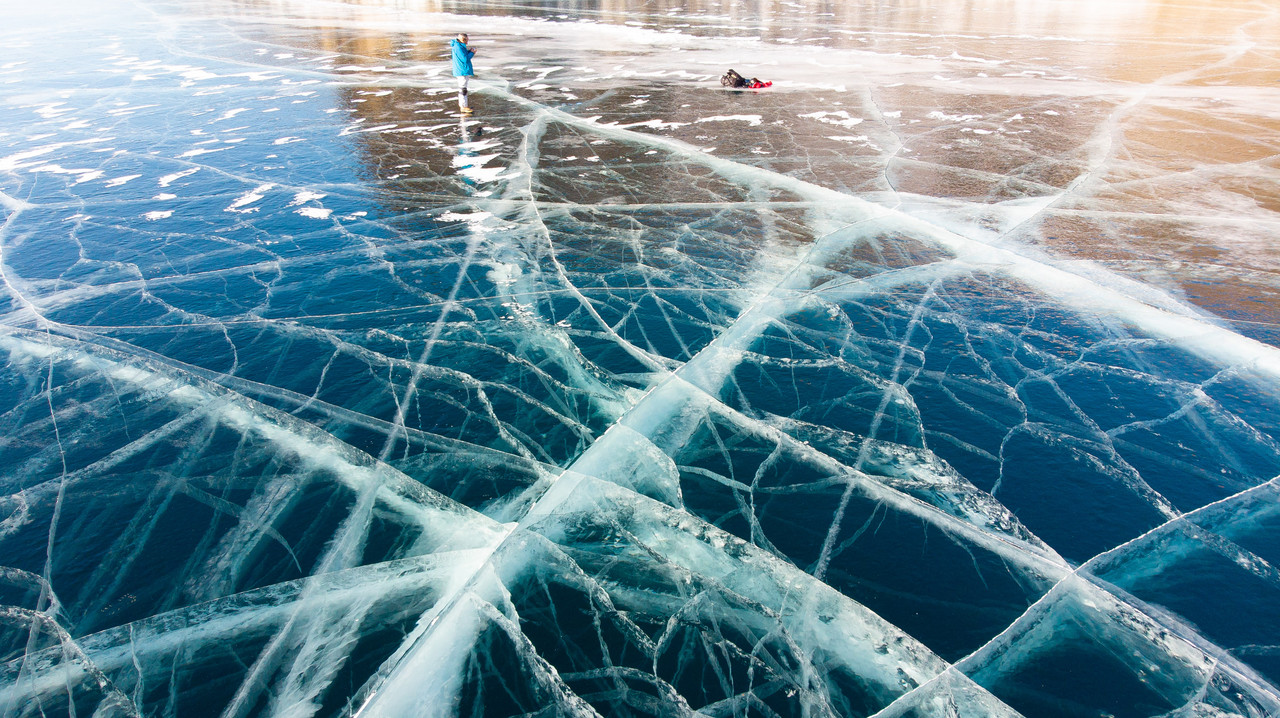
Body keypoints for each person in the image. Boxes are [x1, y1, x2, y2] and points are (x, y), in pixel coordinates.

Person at [451, 33, 476, 114]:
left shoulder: (459, 46)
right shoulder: (458, 47)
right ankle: (463, 106)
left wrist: (469, 51)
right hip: (462, 71)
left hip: (462, 70)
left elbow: (463, 55)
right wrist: (472, 53)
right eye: (466, 40)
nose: (467, 42)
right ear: (463, 40)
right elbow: (465, 59)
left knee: (463, 88)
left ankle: (464, 105)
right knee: (463, 89)